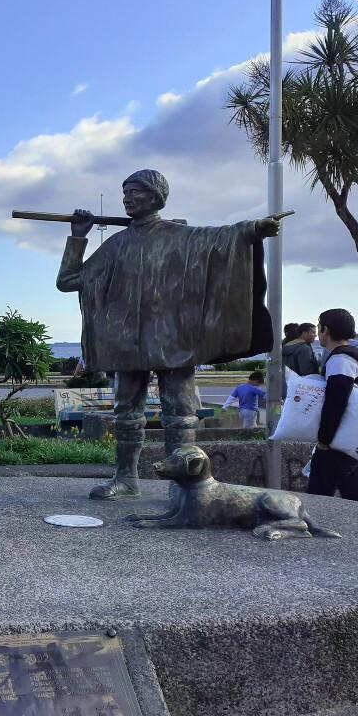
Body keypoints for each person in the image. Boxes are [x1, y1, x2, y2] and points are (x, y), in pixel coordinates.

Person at [59, 168, 282, 499]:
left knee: (180, 415)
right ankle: (126, 477)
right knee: (126, 413)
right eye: (125, 193)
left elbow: (223, 237)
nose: (127, 198)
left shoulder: (181, 236)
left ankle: (185, 485)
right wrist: (79, 236)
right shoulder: (116, 245)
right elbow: (68, 281)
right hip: (128, 342)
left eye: (135, 192)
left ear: (155, 197)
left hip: (174, 340)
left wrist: (253, 229)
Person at [308, 308, 358, 501]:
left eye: (319, 327)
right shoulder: (351, 354)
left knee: (318, 497)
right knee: (352, 495)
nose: (318, 332)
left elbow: (336, 402)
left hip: (338, 441)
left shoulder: (340, 359)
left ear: (326, 330)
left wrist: (324, 440)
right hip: (349, 439)